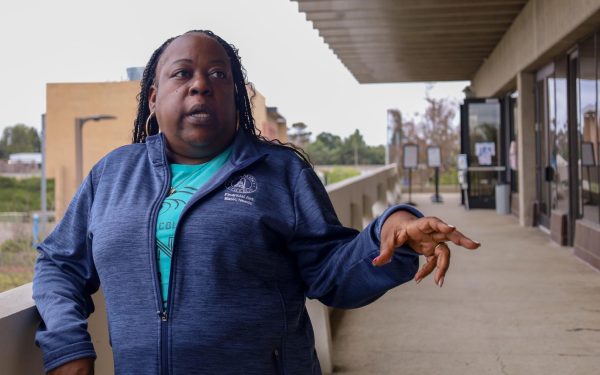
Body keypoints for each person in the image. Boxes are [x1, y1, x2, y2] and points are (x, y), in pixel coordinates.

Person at [33, 30, 480, 375]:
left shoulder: (280, 172)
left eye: (218, 75)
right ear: (153, 97)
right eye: (182, 73)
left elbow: (331, 274)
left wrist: (392, 232)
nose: (200, 86)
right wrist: (67, 344)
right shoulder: (113, 174)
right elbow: (59, 263)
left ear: (236, 96)